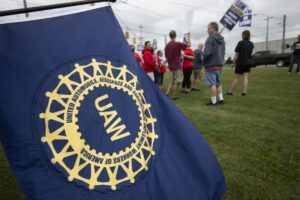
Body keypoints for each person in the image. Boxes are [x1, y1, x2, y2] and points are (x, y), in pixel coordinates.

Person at [203, 22, 225, 106]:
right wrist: (222, 62)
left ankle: (214, 101)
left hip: (211, 65)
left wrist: (203, 61)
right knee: (218, 83)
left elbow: (207, 53)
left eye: (208, 28)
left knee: (212, 84)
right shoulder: (222, 40)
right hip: (219, 64)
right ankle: (221, 98)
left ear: (213, 29)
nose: (207, 30)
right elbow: (223, 52)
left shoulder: (210, 39)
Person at [227, 30, 254, 96]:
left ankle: (230, 92)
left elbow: (236, 54)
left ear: (243, 35)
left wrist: (233, 62)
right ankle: (244, 92)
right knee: (245, 77)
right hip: (248, 63)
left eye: (242, 35)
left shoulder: (240, 43)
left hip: (241, 63)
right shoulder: (251, 44)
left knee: (236, 77)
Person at [165, 30, 187, 100]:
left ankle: (167, 93)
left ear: (169, 36)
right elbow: (187, 45)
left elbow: (166, 56)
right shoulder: (177, 44)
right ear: (175, 36)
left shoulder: (167, 46)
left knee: (172, 80)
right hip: (177, 65)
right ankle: (174, 96)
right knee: (178, 81)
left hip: (171, 65)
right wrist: (188, 36)